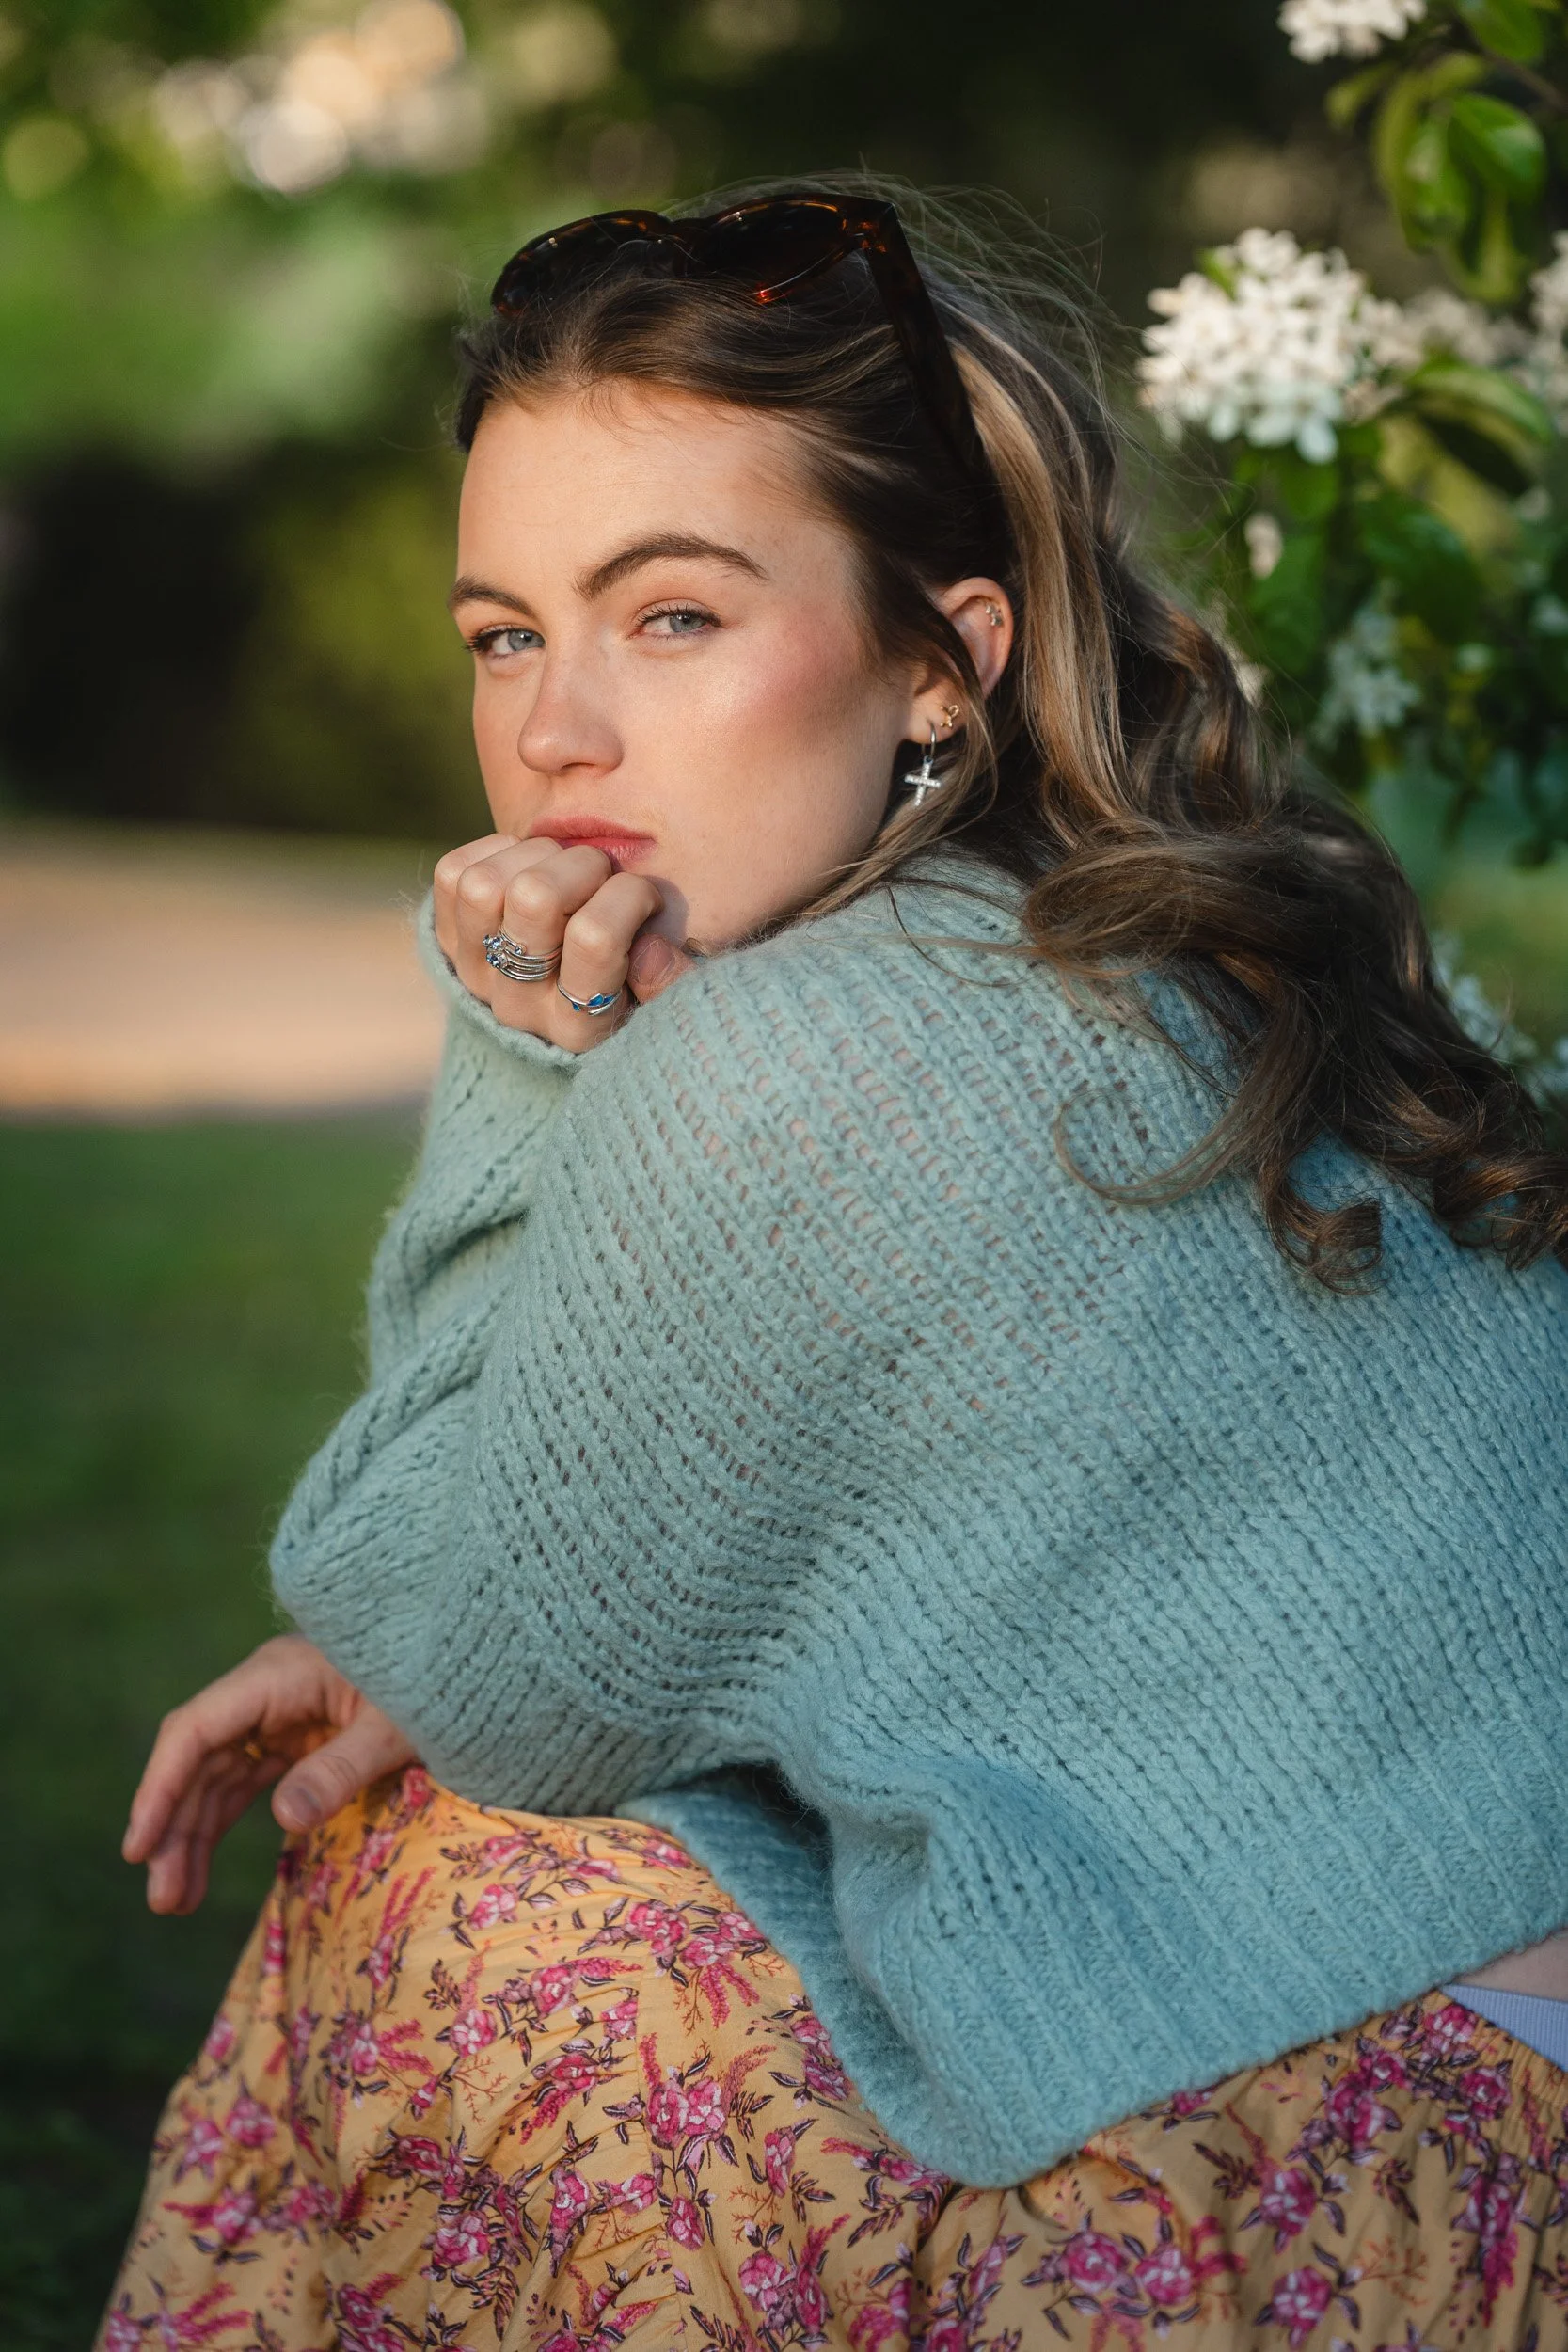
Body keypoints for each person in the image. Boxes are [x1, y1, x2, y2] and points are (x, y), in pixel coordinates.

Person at [102, 185, 1568, 2350]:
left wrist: (521, 1066)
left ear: (935, 656)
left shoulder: (800, 1060)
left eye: (670, 615)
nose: (556, 730)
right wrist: (436, 1639)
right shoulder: (1144, 934)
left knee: (447, 1887)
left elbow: (485, 1657)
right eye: (502, 631)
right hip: (1495, 2055)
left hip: (1414, 2163)